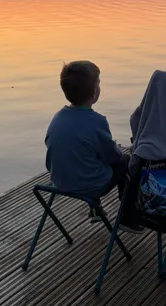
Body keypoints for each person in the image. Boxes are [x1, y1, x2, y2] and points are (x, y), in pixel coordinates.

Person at [45, 60, 143, 233]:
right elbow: (113, 157)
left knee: (88, 157)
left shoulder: (57, 117)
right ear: (94, 92)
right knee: (126, 161)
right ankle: (127, 217)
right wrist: (117, 150)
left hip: (59, 181)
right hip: (89, 186)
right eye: (98, 83)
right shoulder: (96, 121)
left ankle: (95, 209)